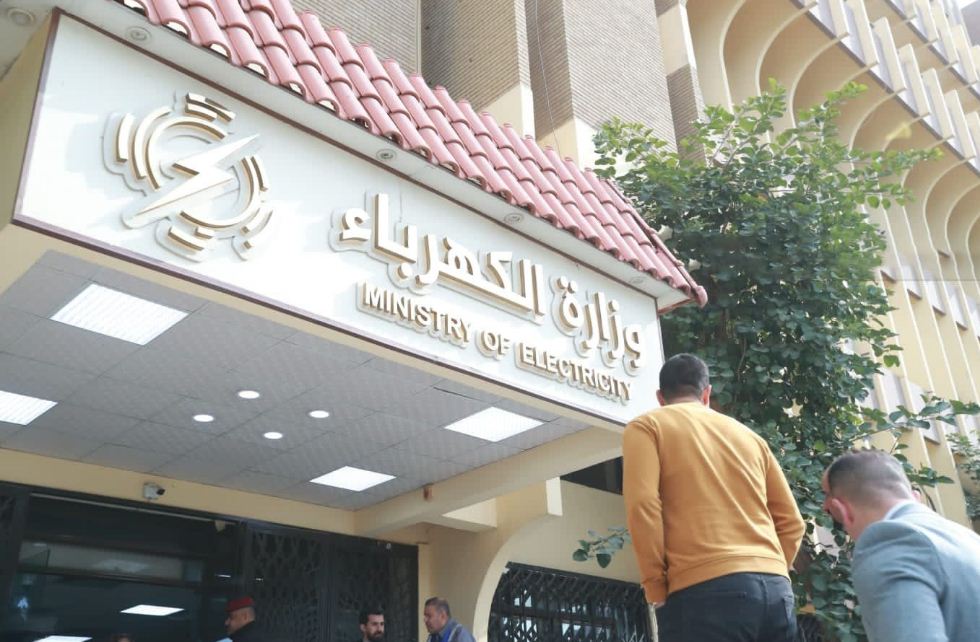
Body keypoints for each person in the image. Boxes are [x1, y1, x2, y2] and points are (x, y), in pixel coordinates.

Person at [622, 353, 805, 642]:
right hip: (775, 591)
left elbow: (643, 505)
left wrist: (656, 586)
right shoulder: (751, 438)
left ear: (660, 397)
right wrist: (769, 566)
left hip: (702, 590)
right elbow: (793, 522)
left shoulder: (648, 426)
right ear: (706, 393)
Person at [822, 449, 980, 641]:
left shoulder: (889, 544)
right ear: (914, 496)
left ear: (842, 510)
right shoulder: (966, 537)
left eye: (832, 515)